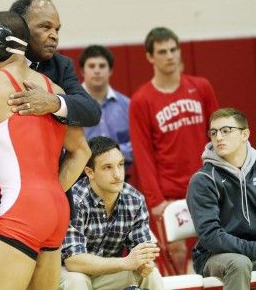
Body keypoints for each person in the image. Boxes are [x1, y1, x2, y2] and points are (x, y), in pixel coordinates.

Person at [0, 0, 100, 290]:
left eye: (58, 29)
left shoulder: (58, 68)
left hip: (27, 204)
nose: (54, 35)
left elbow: (90, 110)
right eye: (45, 27)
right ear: (20, 28)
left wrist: (53, 103)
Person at [129, 27, 219, 273]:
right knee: (176, 254)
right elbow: (143, 152)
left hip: (205, 185)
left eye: (173, 50)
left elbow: (218, 135)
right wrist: (156, 200)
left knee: (216, 247)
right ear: (150, 57)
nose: (169, 56)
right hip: (169, 192)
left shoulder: (201, 87)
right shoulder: (142, 100)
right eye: (162, 51)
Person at [60, 136, 164, 290]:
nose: (117, 174)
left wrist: (144, 264)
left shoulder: (134, 200)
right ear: (89, 172)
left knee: (151, 274)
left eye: (120, 165)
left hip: (107, 273)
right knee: (77, 282)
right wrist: (125, 262)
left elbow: (141, 251)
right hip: (69, 273)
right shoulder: (74, 201)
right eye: (107, 167)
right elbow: (73, 260)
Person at [187, 108, 256, 289]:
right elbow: (211, 237)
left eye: (226, 131)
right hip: (214, 255)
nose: (218, 137)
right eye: (214, 132)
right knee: (239, 264)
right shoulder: (203, 180)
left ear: (245, 134)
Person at [80, 45, 132, 168]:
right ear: (82, 71)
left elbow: (137, 144)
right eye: (92, 66)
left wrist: (109, 156)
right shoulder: (72, 104)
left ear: (110, 71)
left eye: (102, 66)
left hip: (120, 175)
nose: (97, 70)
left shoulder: (127, 105)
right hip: (81, 176)